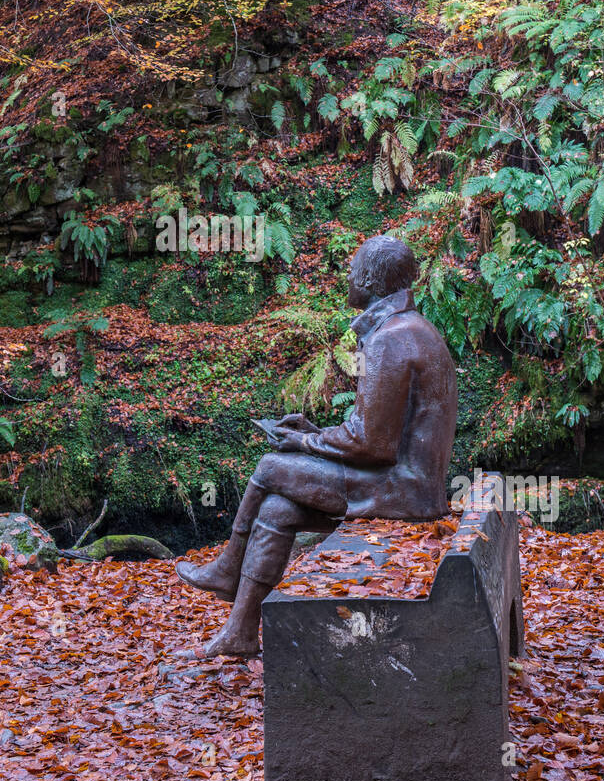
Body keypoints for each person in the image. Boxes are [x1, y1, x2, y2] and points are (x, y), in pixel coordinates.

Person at [176, 234, 458, 657]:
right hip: (410, 485)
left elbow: (371, 445)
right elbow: (377, 431)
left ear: (371, 279)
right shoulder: (408, 329)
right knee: (276, 509)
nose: (346, 275)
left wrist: (305, 441)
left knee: (271, 466)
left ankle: (226, 568)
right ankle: (239, 632)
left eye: (352, 269)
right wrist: (314, 431)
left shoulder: (391, 339)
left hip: (401, 490)